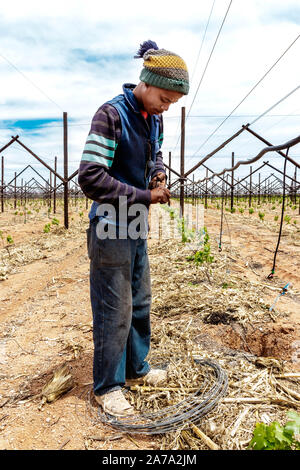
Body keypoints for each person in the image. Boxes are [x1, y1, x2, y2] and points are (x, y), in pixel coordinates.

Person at [78, 40, 189, 417]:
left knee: (140, 302)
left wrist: (158, 170)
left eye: (173, 103)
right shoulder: (111, 114)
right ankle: (107, 386)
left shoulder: (152, 119)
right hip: (110, 225)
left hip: (135, 224)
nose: (166, 107)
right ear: (145, 82)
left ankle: (136, 370)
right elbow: (91, 177)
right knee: (115, 307)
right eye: (164, 98)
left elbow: (155, 151)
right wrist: (145, 194)